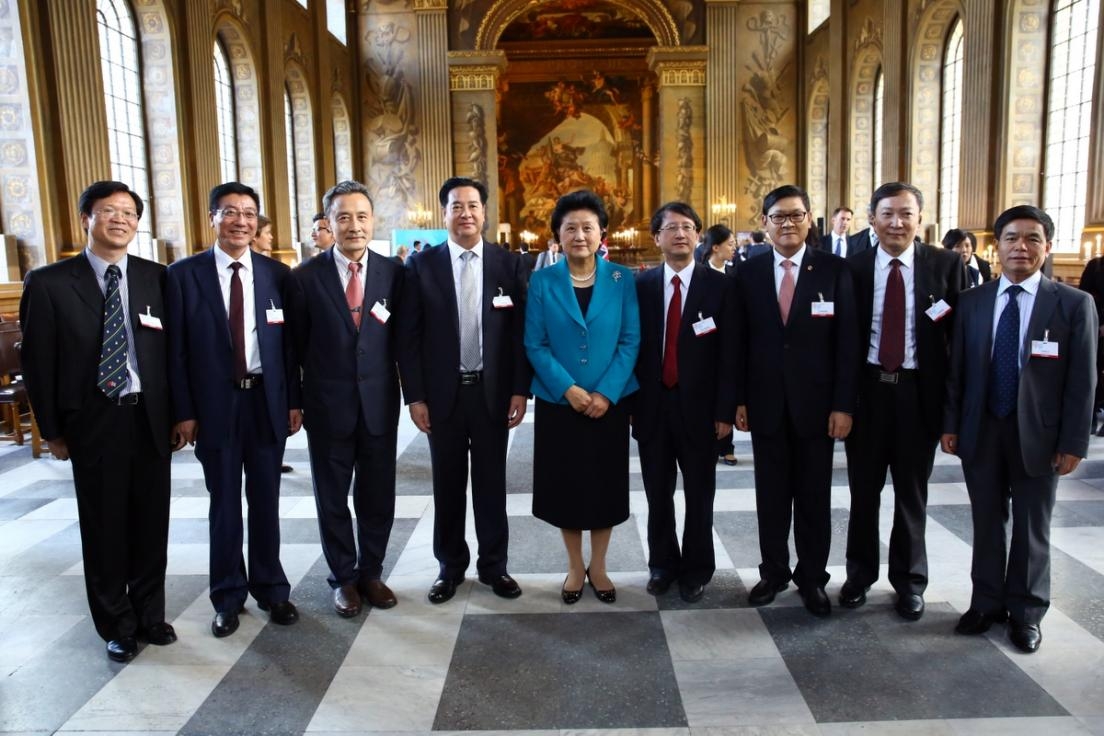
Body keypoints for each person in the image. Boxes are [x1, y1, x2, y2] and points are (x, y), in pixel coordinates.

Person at [20, 181, 178, 663]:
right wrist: (52, 430)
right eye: (109, 211)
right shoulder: (49, 283)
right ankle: (116, 624)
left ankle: (150, 615)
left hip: (149, 417)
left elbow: (173, 353)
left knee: (151, 524)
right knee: (105, 527)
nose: (120, 220)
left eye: (129, 213)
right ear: (86, 218)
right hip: (93, 421)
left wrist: (181, 415)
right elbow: (38, 364)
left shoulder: (156, 277)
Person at [942, 205, 1097, 653]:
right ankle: (986, 603)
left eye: (1032, 239)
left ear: (1047, 247)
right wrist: (951, 424)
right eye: (1011, 238)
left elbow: (1082, 381)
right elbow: (958, 370)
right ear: (998, 246)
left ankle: (1027, 612)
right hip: (982, 427)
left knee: (1032, 526)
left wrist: (1073, 442)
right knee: (987, 521)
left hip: (1041, 435)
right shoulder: (972, 301)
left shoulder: (1073, 303)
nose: (1021, 247)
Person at [166, 182, 302, 638]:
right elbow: (176, 352)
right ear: (212, 218)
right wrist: (184, 411)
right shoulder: (184, 275)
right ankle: (226, 596)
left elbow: (290, 348)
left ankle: (272, 589)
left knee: (266, 500)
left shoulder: (277, 275)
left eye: (248, 213)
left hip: (266, 402)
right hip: (215, 406)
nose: (240, 221)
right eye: (229, 212)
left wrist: (293, 400)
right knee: (224, 504)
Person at [397, 177, 531, 604]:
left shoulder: (508, 265)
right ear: (444, 214)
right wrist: (415, 396)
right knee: (448, 485)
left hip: (492, 394)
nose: (466, 214)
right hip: (443, 395)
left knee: (492, 485)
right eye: (457, 206)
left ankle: (494, 566)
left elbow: (519, 334)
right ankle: (449, 567)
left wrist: (519, 390)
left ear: (484, 213)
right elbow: (409, 338)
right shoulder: (421, 266)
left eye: (473, 206)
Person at [842, 182, 966, 620]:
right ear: (872, 219)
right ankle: (859, 575)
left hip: (919, 395)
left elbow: (958, 341)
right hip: (869, 393)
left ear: (920, 219)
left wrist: (951, 412)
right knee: (864, 492)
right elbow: (842, 342)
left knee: (912, 494)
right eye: (887, 214)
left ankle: (910, 582)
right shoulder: (853, 269)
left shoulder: (946, 265)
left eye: (906, 214)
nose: (897, 223)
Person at [733, 185, 859, 617]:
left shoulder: (834, 270)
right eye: (778, 217)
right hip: (765, 403)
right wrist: (739, 399)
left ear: (809, 220)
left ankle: (812, 578)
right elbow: (739, 342)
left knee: (813, 498)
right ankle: (773, 572)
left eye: (796, 215)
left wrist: (843, 404)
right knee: (770, 497)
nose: (787, 224)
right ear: (764, 223)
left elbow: (848, 343)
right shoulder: (747, 271)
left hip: (818, 408)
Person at [287, 181, 403, 617]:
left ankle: (371, 572)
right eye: (343, 217)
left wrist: (417, 397)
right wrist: (294, 401)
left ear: (373, 221)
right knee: (332, 497)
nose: (354, 225)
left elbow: (405, 341)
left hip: (378, 404)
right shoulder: (304, 278)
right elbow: (293, 348)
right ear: (329, 223)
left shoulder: (394, 273)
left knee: (378, 495)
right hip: (326, 404)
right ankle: (343, 577)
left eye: (361, 216)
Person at [525, 190, 639, 604]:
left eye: (587, 227)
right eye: (570, 227)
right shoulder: (543, 281)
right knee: (566, 487)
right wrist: (568, 389)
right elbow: (535, 343)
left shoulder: (621, 279)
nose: (579, 235)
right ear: (557, 234)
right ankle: (575, 566)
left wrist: (606, 392)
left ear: (601, 232)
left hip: (609, 404)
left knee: (604, 486)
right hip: (560, 403)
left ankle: (600, 566)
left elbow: (630, 340)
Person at [634, 203, 733, 603]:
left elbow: (730, 354)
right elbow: (631, 347)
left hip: (702, 411)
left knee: (699, 495)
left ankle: (697, 568)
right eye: (671, 227)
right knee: (657, 494)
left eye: (688, 227)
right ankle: (662, 565)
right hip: (652, 407)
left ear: (698, 236)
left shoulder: (721, 286)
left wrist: (725, 411)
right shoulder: (640, 286)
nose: (680, 234)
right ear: (656, 237)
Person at [700, 224, 739, 466]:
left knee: (727, 396)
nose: (734, 248)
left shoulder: (736, 274)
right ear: (715, 247)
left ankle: (727, 446)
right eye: (730, 244)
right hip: (705, 342)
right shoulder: (700, 273)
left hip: (729, 340)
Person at [1078, 254, 1104, 435]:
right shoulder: (1096, 265)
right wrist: (1098, 323)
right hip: (1096, 329)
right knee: (1091, 372)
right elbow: (1084, 296)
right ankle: (1090, 418)